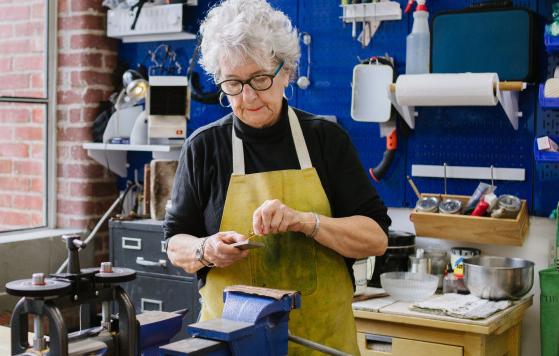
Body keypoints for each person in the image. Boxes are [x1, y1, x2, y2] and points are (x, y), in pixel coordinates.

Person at [163, 0, 391, 354]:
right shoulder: (203, 148)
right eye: (233, 84)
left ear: (286, 71)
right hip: (232, 347)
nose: (248, 96)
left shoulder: (326, 140)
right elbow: (174, 243)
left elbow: (376, 239)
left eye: (260, 79)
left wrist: (307, 222)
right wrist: (205, 249)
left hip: (321, 344)